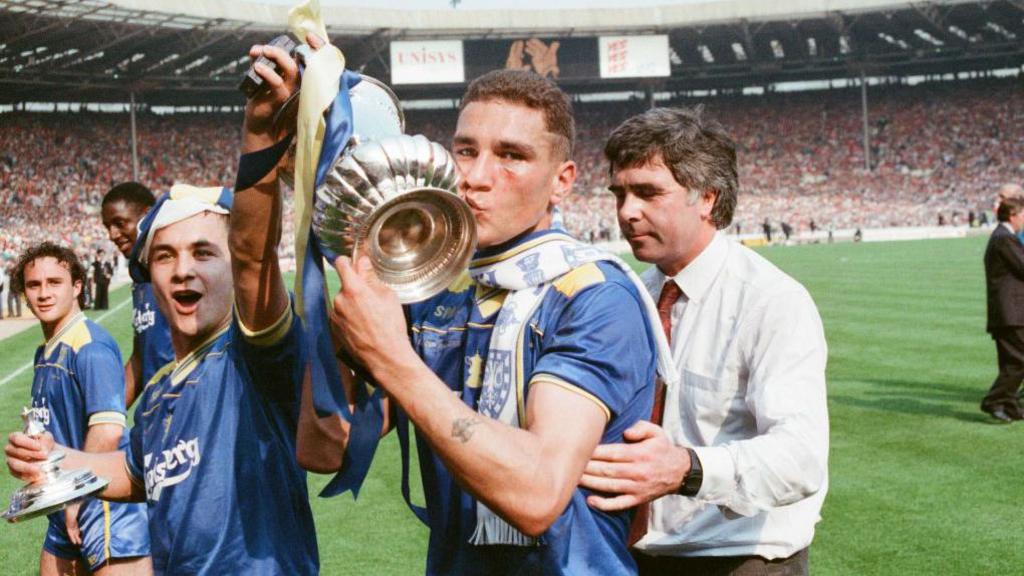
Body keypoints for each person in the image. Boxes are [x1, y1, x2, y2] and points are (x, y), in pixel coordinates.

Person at [302, 68, 661, 575]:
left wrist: (392, 359)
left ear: (562, 182)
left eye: (511, 155)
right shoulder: (429, 291)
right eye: (466, 150)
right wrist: (343, 306)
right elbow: (322, 448)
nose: (475, 176)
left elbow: (538, 494)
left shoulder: (595, 296)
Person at [5, 38, 320, 573]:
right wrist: (55, 461)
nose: (183, 269)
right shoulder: (156, 394)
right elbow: (134, 472)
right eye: (166, 256)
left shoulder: (254, 357)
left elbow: (253, 254)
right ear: (148, 274)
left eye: (204, 252)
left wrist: (261, 132)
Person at [580, 106, 829, 575]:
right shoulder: (633, 294)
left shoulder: (771, 301)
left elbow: (801, 459)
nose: (627, 211)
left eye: (648, 193)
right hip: (632, 557)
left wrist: (685, 469)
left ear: (707, 198)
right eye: (620, 193)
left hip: (738, 562)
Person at [9, 242, 152, 575]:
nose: (43, 293)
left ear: (76, 287)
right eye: (34, 285)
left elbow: (108, 429)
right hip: (64, 505)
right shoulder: (46, 351)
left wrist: (77, 499)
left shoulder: (89, 345)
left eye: (54, 282)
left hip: (103, 506)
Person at [100, 182, 173, 407]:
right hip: (157, 414)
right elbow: (140, 358)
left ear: (148, 215)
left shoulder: (179, 272)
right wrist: (106, 413)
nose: (112, 235)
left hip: (189, 413)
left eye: (119, 223)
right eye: (107, 227)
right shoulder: (141, 280)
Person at [980, 196, 1024, 422]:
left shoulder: (1002, 237)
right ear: (1013, 215)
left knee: (1011, 362)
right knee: (1019, 361)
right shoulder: (1005, 238)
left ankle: (1010, 405)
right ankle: (994, 401)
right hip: (1011, 313)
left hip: (1008, 312)